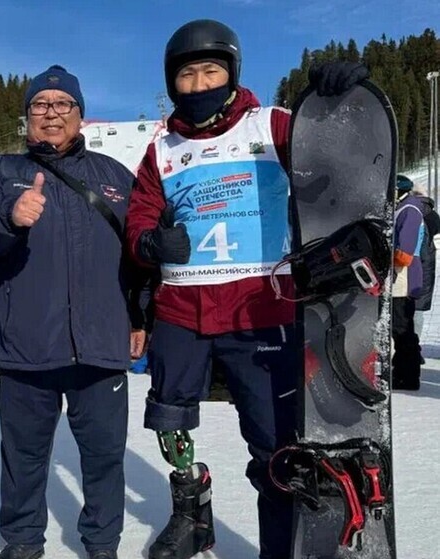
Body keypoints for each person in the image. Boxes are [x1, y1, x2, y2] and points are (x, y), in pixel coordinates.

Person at [124, 19, 370, 559]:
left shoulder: (270, 125)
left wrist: (335, 103)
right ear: (172, 84)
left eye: (210, 71)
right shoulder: (162, 149)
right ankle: (194, 511)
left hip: (262, 309)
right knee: (169, 423)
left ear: (232, 74)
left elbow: (331, 159)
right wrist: (148, 243)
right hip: (182, 312)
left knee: (274, 447)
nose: (198, 84)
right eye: (187, 75)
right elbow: (140, 216)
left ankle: (279, 545)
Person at [0, 64, 148, 559]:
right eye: (40, 105)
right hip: (27, 346)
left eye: (62, 104)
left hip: (102, 345)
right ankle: (23, 542)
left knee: (104, 457)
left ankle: (102, 544)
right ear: (26, 117)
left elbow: (139, 252)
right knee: (23, 459)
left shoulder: (113, 176)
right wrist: (9, 216)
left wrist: (140, 316)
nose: (51, 114)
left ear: (80, 115)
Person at [392, 174, 427, 390]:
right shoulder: (402, 208)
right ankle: (401, 371)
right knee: (399, 327)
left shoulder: (409, 210)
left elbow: (404, 253)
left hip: (404, 276)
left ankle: (409, 375)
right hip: (398, 275)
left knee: (402, 327)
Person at [412, 184, 440, 341]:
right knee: (418, 310)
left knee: (405, 310)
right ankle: (416, 345)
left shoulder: (411, 211)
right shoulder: (433, 215)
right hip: (426, 269)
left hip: (412, 266)